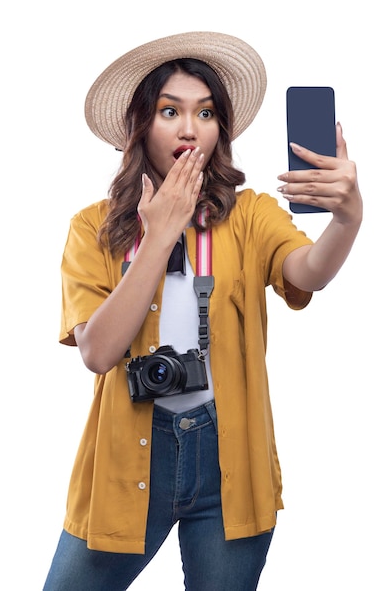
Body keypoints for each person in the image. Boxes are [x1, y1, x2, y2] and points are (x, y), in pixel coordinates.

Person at [43, 31, 362, 590]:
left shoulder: (249, 215)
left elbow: (307, 270)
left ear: (221, 128)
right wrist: (160, 232)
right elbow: (97, 353)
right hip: (128, 460)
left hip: (229, 463)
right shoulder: (91, 228)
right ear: (140, 126)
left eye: (206, 112)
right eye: (170, 111)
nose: (190, 128)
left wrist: (346, 220)